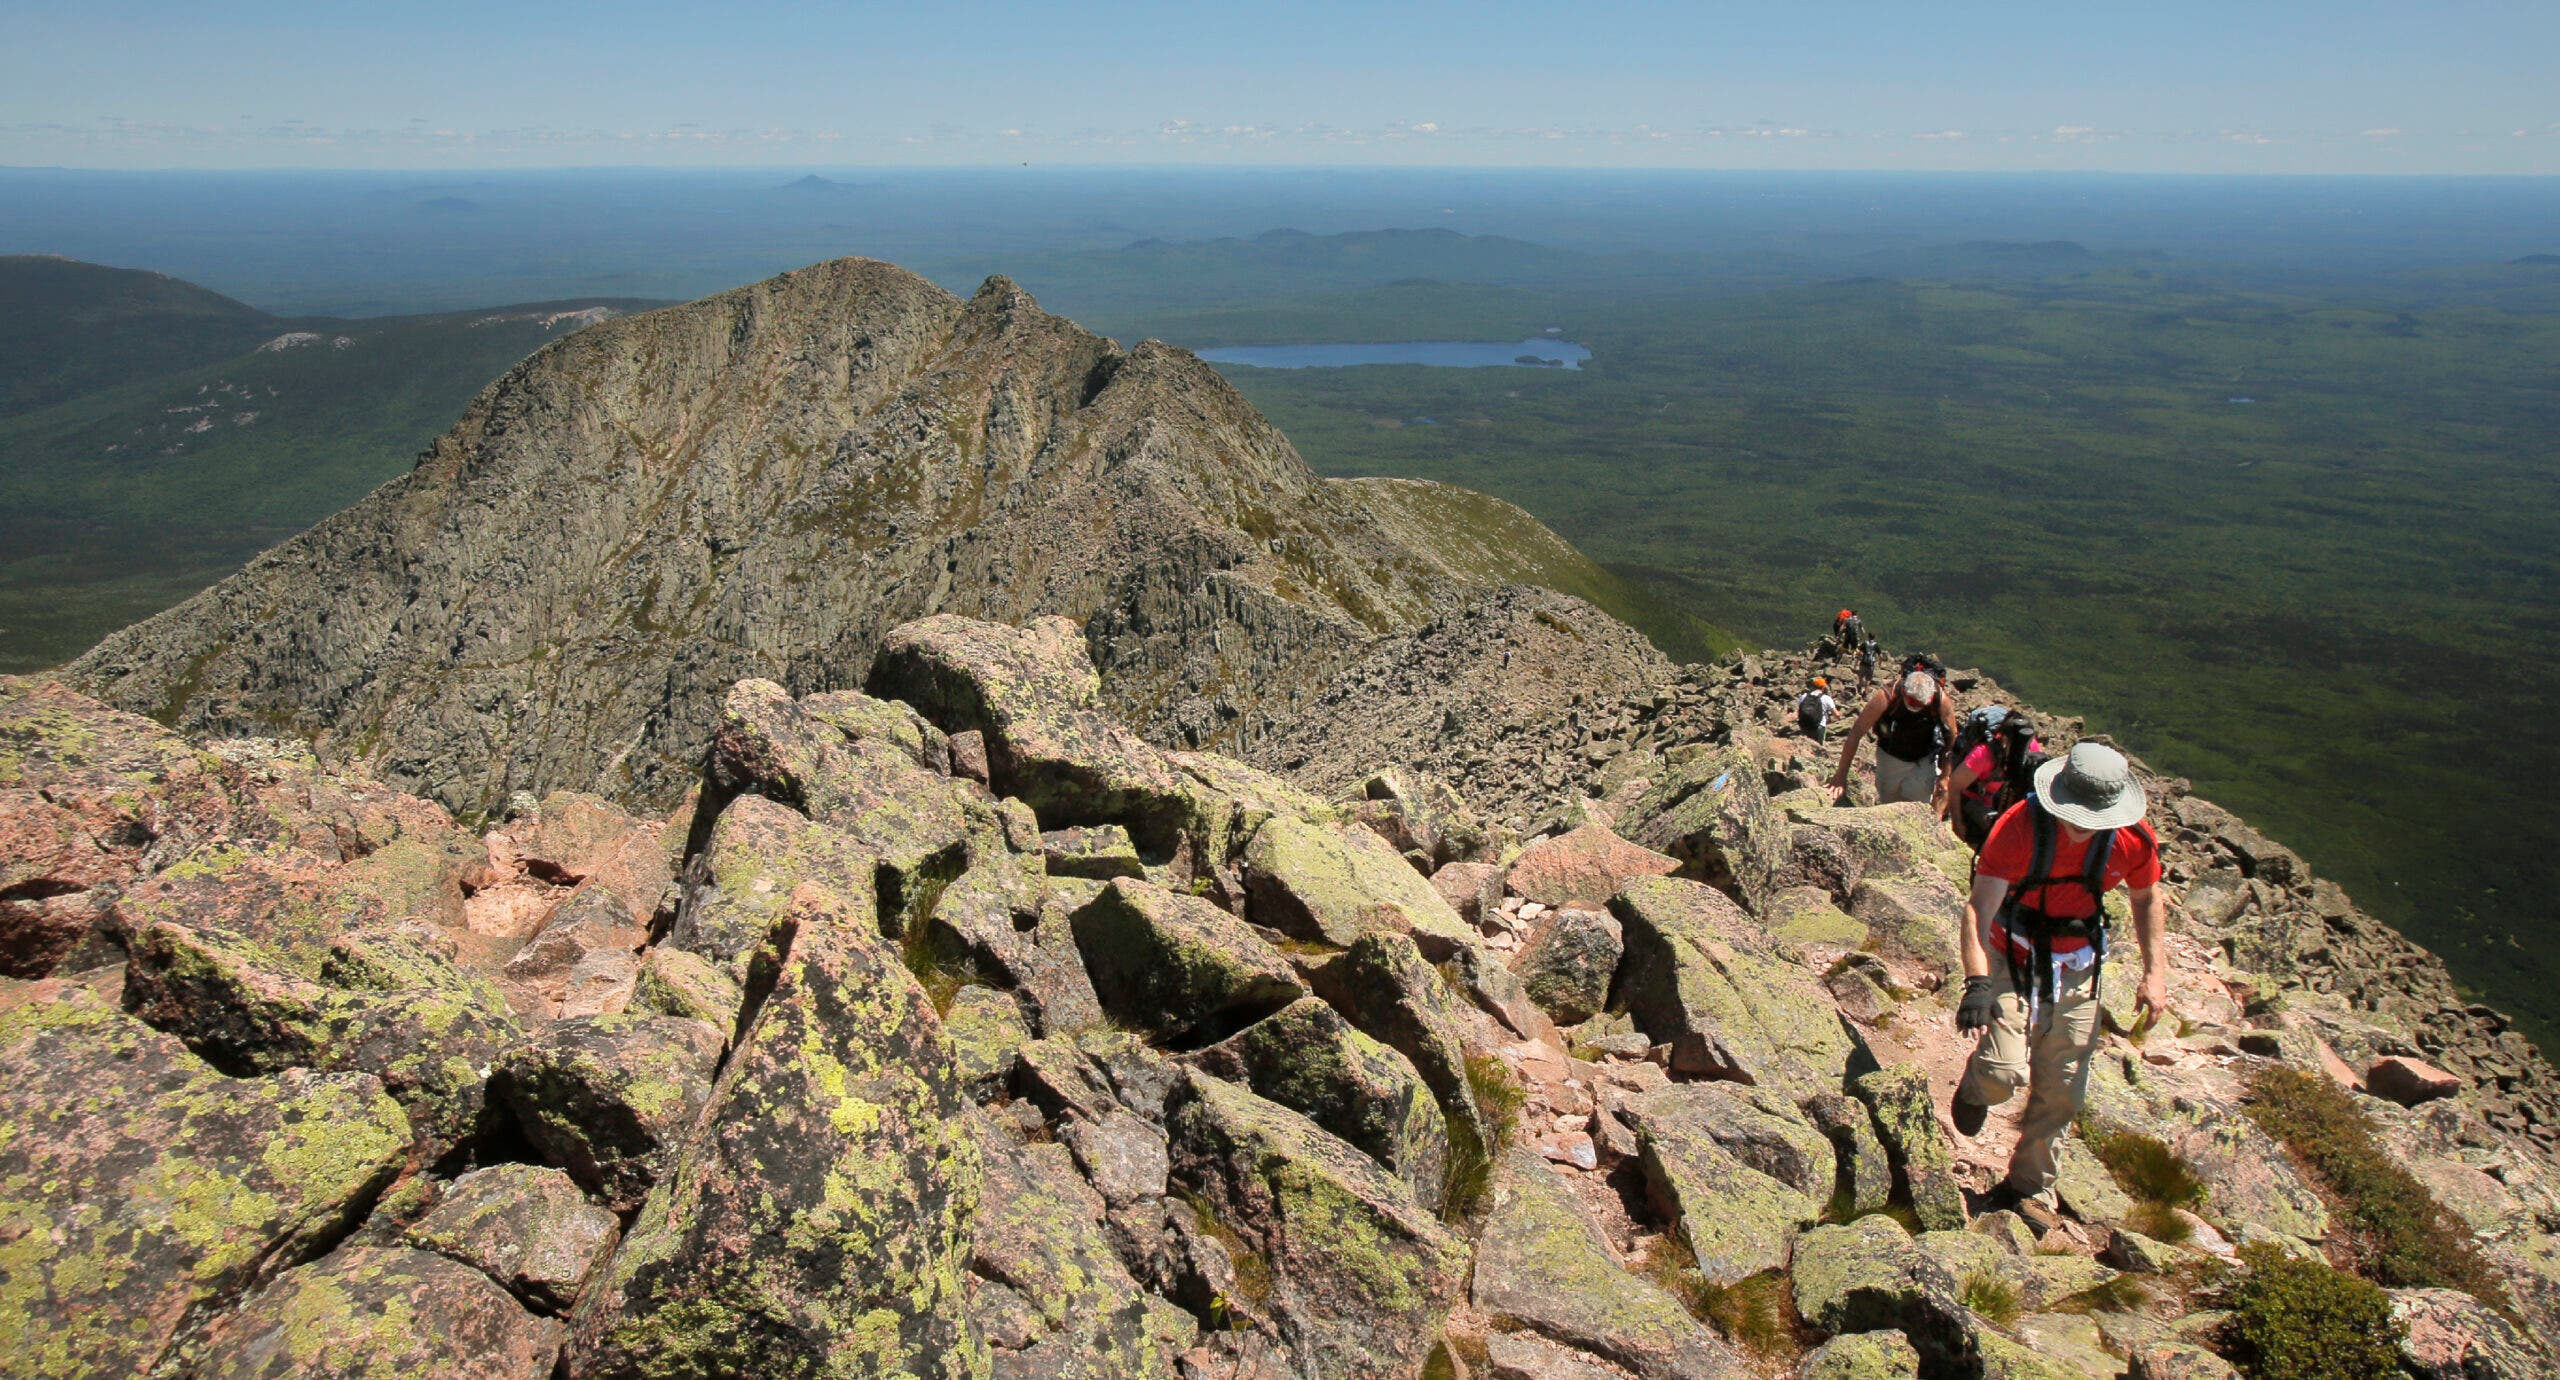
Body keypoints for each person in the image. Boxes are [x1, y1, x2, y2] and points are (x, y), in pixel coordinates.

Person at [1949, 742, 2169, 1225]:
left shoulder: (2133, 839)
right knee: (2004, 1072)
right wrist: (1978, 983)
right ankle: (1976, 1087)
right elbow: (1978, 908)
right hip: (2011, 951)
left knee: (2065, 1086)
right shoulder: (2019, 829)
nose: (2085, 826)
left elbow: (2147, 899)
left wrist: (2155, 973)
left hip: (2078, 963)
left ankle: (2030, 1188)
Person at [1825, 660, 1958, 806]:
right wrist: (1841, 775)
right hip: (1890, 757)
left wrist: (1946, 776)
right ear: (1904, 691)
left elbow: (1952, 738)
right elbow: (1856, 733)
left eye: (1920, 704)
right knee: (1888, 803)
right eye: (1911, 701)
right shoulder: (1887, 696)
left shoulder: (1941, 700)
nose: (1914, 706)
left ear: (1931, 697)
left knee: (1918, 806)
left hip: (1923, 759)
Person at [1942, 706, 2042, 850]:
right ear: (2004, 740)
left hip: (2002, 798)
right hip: (1974, 798)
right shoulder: (1983, 755)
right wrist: (1958, 824)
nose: (2024, 750)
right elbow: (1955, 786)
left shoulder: (2030, 747)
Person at [1795, 677, 1838, 744]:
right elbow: (1837, 714)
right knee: (1818, 749)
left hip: (1804, 726)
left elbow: (1799, 711)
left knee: (1805, 747)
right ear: (1823, 687)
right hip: (1819, 727)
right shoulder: (1826, 698)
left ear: (1813, 686)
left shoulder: (1804, 696)